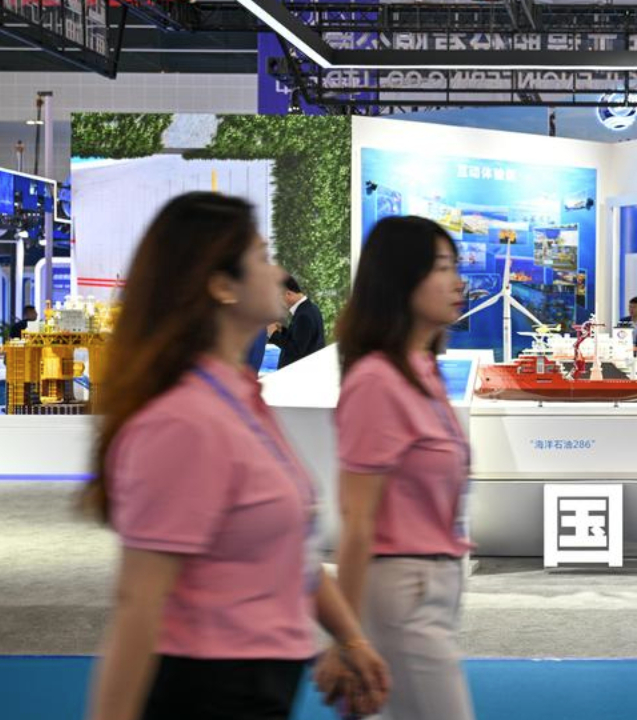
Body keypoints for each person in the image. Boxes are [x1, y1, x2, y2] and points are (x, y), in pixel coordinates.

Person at [82, 192, 390, 720]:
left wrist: (351, 638)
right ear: (222, 285)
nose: (279, 272)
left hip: (263, 687)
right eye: (263, 257)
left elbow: (288, 548)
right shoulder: (182, 421)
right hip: (208, 691)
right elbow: (139, 605)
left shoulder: (243, 396)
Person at [332, 215, 475, 720]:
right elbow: (357, 521)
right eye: (441, 267)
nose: (457, 281)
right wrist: (348, 638)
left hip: (435, 587)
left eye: (455, 266)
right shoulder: (377, 379)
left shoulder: (424, 371)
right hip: (401, 593)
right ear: (400, 278)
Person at [268, 275, 325, 369]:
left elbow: (295, 351)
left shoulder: (304, 315)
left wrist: (273, 334)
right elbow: (300, 339)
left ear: (288, 294)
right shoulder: (310, 308)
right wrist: (283, 331)